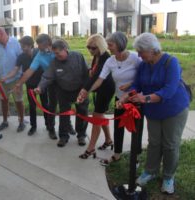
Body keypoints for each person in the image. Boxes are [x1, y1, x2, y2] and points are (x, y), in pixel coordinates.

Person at [117, 33, 189, 194]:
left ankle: (168, 177)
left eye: (141, 52)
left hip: (174, 109)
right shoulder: (144, 64)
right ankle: (150, 171)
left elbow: (169, 90)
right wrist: (126, 96)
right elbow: (137, 83)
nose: (139, 55)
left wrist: (145, 98)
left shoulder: (171, 62)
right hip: (153, 110)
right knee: (154, 142)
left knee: (170, 144)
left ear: (152, 50)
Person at [77, 32, 143, 164]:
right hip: (119, 99)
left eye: (110, 44)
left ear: (120, 44)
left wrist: (130, 84)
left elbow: (143, 77)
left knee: (136, 129)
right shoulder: (110, 61)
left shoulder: (135, 59)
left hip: (136, 100)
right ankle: (117, 154)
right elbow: (99, 79)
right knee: (118, 128)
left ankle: (136, 156)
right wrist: (87, 91)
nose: (108, 47)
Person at [35, 39, 89, 147]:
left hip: (79, 90)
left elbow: (86, 72)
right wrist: (40, 87)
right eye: (54, 53)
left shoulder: (78, 56)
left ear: (65, 49)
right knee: (64, 114)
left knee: (82, 113)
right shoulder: (55, 62)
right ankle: (63, 137)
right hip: (63, 91)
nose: (56, 55)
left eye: (57, 53)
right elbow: (47, 76)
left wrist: (85, 89)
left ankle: (81, 135)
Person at [77, 34, 115, 159]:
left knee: (96, 118)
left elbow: (96, 77)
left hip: (106, 89)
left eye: (93, 48)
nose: (90, 50)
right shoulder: (97, 56)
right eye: (88, 47)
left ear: (100, 46)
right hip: (99, 89)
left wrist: (84, 90)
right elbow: (92, 73)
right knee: (100, 115)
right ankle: (109, 140)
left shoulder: (105, 58)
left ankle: (91, 147)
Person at [14, 34, 58, 139]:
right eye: (37, 44)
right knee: (34, 106)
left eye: (40, 44)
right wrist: (19, 83)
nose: (38, 47)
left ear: (48, 43)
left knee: (47, 105)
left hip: (52, 82)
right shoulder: (39, 55)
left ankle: (51, 126)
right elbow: (29, 71)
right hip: (38, 84)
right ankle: (34, 127)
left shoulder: (55, 49)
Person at [2, 36, 49, 135]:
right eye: (21, 45)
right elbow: (15, 70)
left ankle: (49, 126)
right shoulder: (21, 57)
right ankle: (33, 127)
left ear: (30, 45)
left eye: (23, 46)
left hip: (41, 84)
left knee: (45, 104)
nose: (22, 47)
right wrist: (6, 77)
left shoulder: (38, 53)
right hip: (30, 84)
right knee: (32, 106)